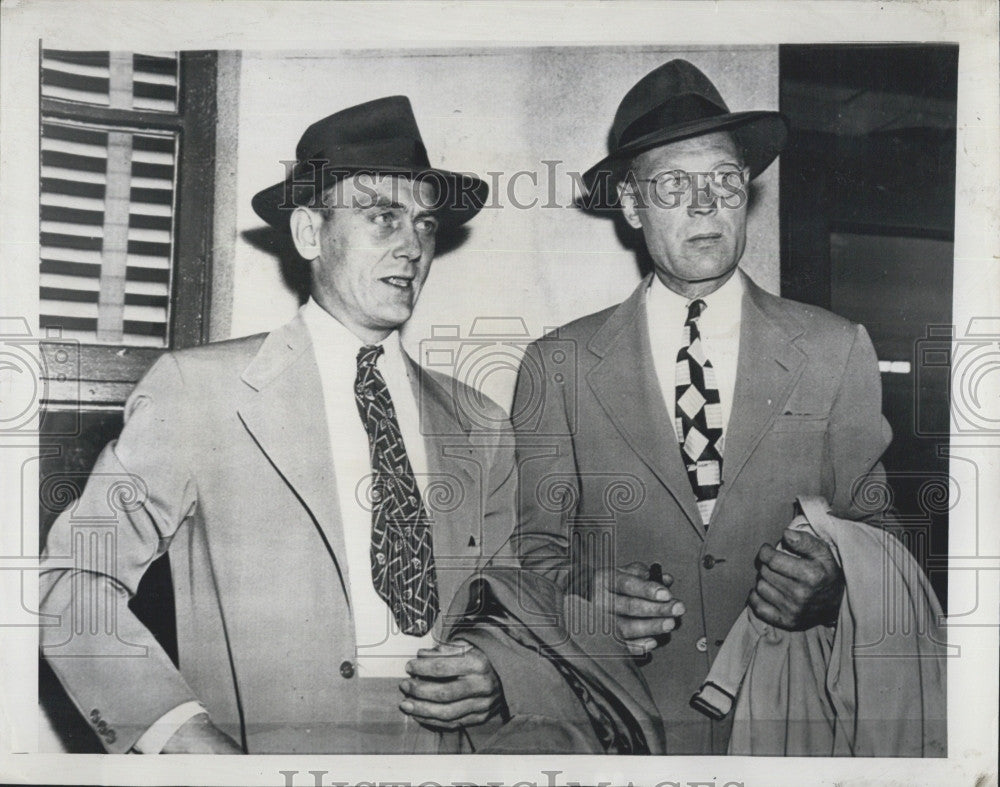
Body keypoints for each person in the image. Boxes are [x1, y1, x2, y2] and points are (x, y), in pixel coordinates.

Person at [39, 96, 517, 754]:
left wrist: (497, 666)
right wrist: (175, 734)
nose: (412, 245)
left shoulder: (481, 421)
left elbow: (515, 602)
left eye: (425, 223)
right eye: (382, 216)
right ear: (308, 234)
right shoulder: (200, 392)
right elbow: (71, 579)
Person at [511, 60, 894, 754]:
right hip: (622, 728)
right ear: (631, 206)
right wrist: (582, 599)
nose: (704, 204)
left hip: (794, 724)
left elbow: (880, 533)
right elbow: (533, 555)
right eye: (672, 186)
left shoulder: (836, 349)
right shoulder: (556, 364)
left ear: (745, 195)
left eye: (723, 181)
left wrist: (839, 585)